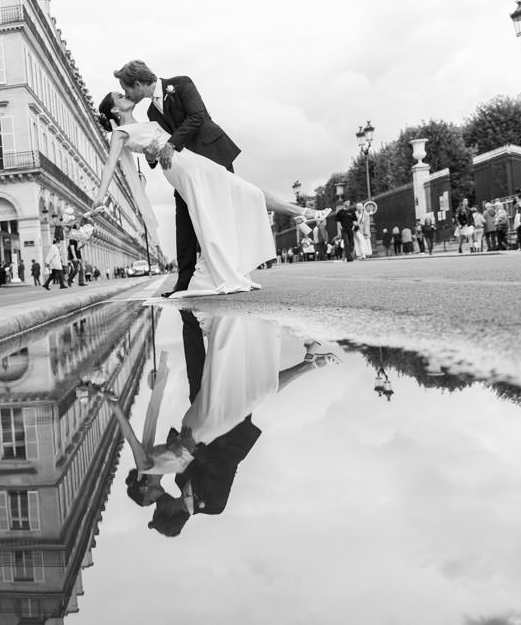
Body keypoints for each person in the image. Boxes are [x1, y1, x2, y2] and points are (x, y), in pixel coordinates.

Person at [107, 311, 341, 536]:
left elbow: (175, 450)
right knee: (253, 385)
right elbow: (222, 469)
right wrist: (195, 449)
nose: (157, 504)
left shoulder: (179, 481)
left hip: (201, 410)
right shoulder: (214, 505)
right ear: (170, 513)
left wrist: (175, 439)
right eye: (159, 509)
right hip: (229, 430)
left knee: (198, 360)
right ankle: (291, 353)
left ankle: (191, 315)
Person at [92, 90, 326, 298]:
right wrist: (99, 198)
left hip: (191, 162)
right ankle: (301, 213)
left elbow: (158, 147)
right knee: (228, 199)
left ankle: (300, 213)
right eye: (120, 96)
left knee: (241, 190)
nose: (126, 95)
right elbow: (110, 165)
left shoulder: (145, 121)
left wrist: (152, 155)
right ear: (114, 109)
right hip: (181, 169)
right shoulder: (120, 133)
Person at [113, 60, 239, 298]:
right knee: (183, 221)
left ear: (138, 84)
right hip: (187, 171)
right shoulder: (151, 112)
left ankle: (229, 270)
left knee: (222, 214)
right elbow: (157, 144)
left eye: (127, 88)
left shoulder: (181, 84)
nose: (127, 94)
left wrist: (171, 144)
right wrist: (152, 156)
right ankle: (184, 282)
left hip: (212, 156)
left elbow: (197, 116)